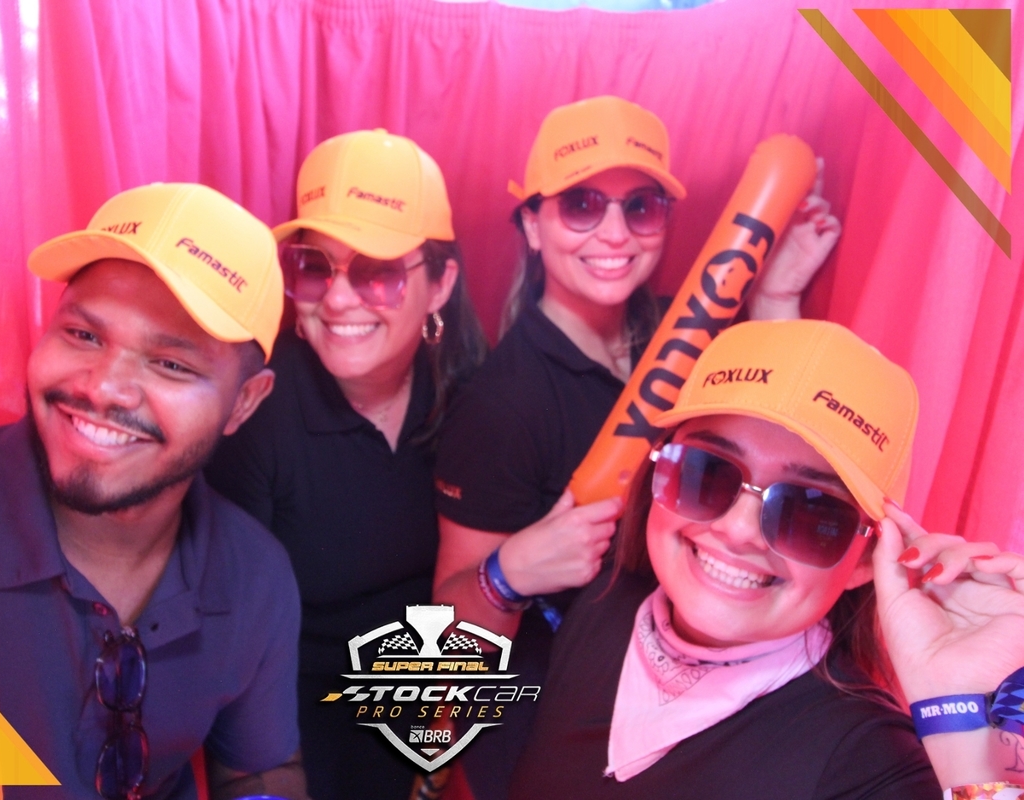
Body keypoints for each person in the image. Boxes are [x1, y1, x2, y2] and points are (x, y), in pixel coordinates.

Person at [0, 183, 310, 800]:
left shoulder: (254, 575)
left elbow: (257, 772)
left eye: (171, 364)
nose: (103, 387)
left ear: (243, 402)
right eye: (84, 335)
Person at [431, 95, 842, 798]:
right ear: (532, 224)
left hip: (687, 698)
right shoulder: (500, 405)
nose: (615, 233)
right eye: (581, 204)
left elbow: (782, 433)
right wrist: (508, 573)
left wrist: (775, 297)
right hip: (558, 724)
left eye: (641, 207)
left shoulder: (687, 329)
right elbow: (443, 655)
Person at [509, 319, 1024, 799]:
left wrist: (977, 733)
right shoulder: (604, 597)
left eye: (811, 511)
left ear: (867, 560)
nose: (738, 530)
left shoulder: (865, 759)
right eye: (707, 472)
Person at [204, 130, 486, 800]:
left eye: (378, 271)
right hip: (296, 713)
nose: (335, 299)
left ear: (441, 284)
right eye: (315, 266)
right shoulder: (259, 413)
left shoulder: (470, 396)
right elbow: (233, 642)